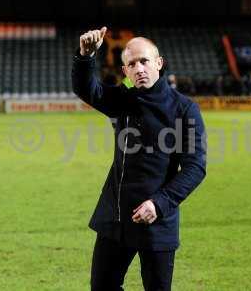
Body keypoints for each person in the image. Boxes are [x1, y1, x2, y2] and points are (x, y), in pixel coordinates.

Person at [72, 27, 207, 291]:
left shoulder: (184, 109)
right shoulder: (124, 100)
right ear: (125, 72)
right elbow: (87, 90)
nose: (139, 69)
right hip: (116, 216)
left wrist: (159, 203)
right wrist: (85, 56)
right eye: (131, 64)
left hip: (156, 220)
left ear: (159, 63)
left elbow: (195, 167)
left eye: (144, 61)